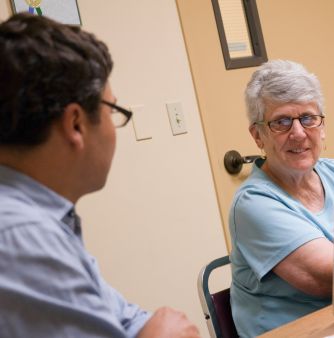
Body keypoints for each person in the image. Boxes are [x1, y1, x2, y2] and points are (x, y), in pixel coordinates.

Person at [0, 13, 200, 338]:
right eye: (112, 112)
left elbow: (122, 316)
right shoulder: (23, 238)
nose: (113, 128)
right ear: (76, 124)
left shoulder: (45, 219)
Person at [229, 60, 334, 336]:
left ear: (322, 127)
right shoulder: (253, 203)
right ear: (258, 136)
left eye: (308, 118)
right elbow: (330, 278)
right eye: (281, 122)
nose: (298, 133)